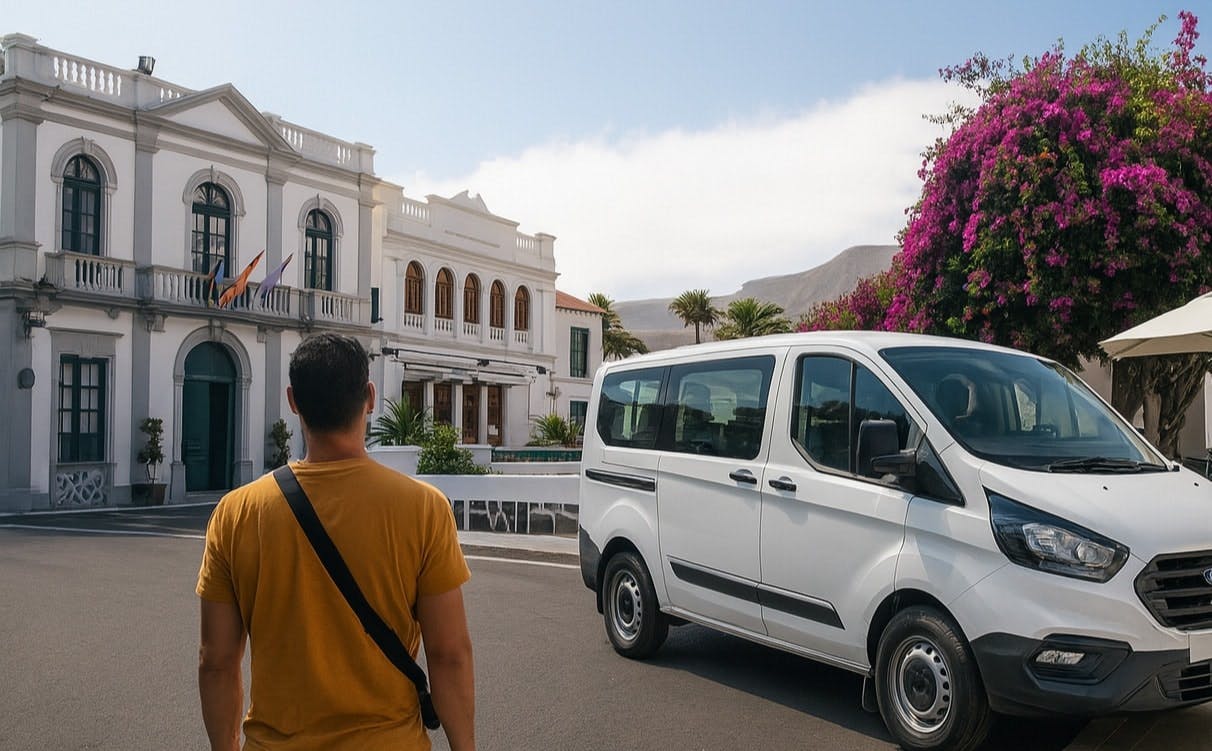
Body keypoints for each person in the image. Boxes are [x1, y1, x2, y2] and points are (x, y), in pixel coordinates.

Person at [196, 333, 475, 751]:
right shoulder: (423, 508)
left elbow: (216, 661)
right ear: (370, 398)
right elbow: (449, 654)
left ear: (293, 401)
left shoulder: (236, 514)